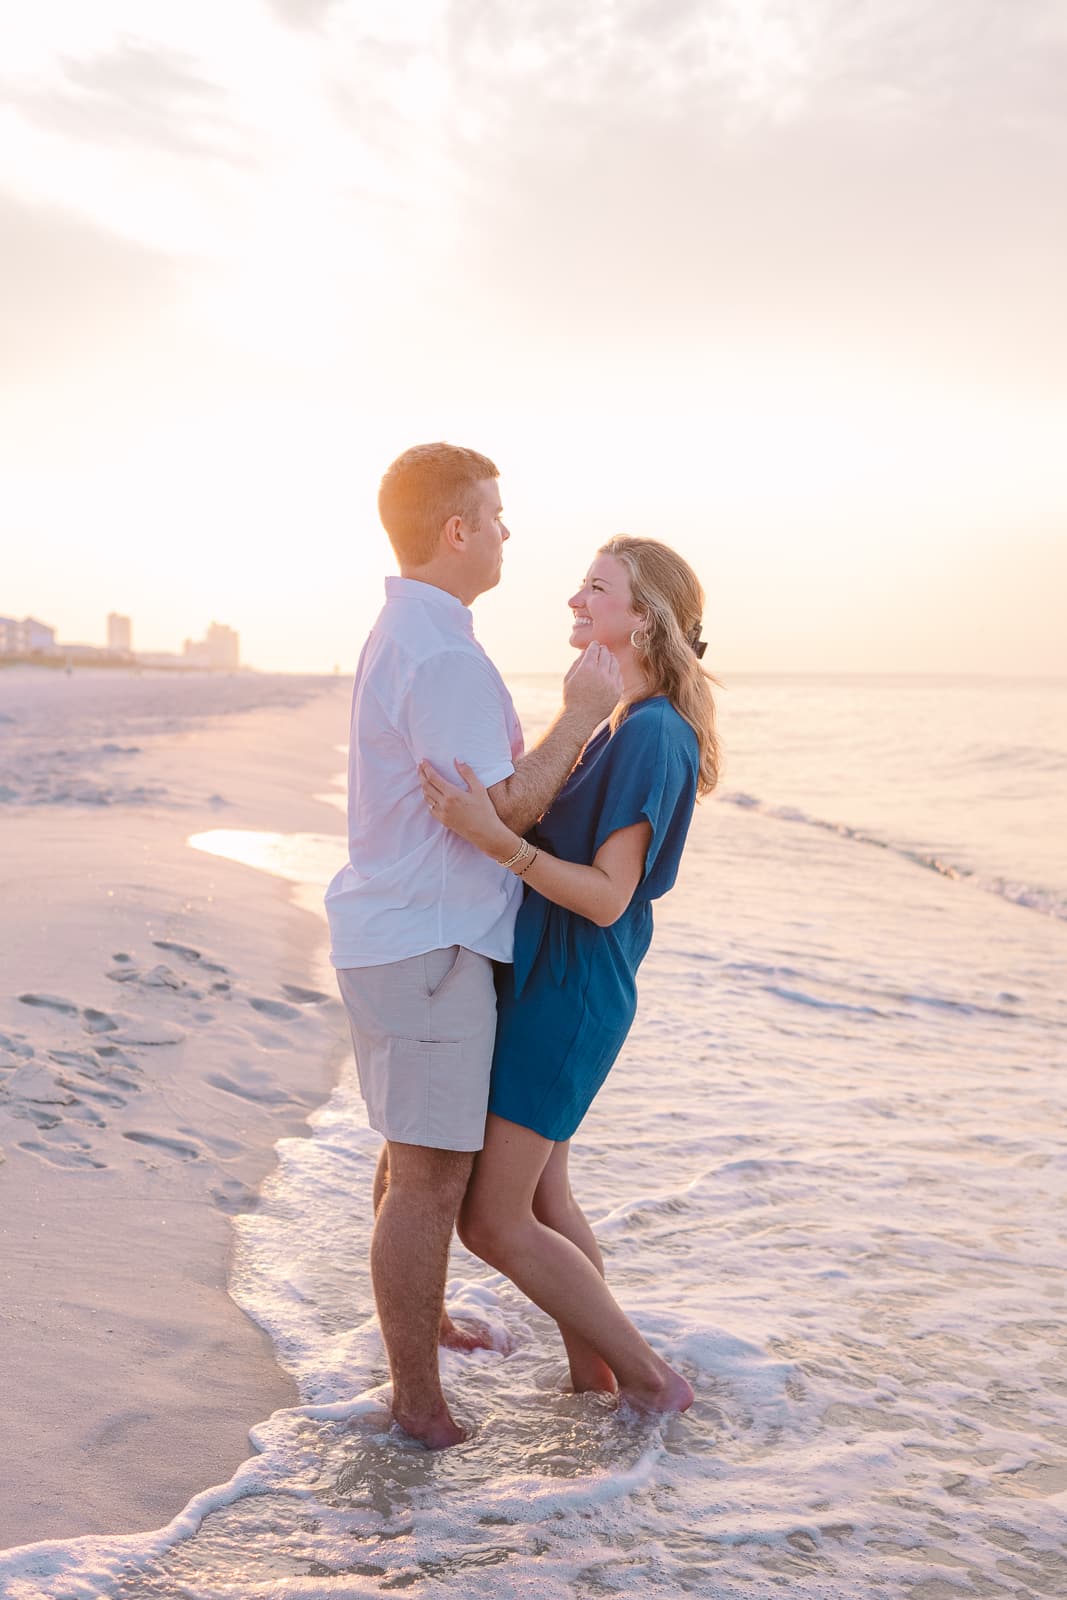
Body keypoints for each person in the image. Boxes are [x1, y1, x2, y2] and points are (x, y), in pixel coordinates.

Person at [324, 442, 622, 1450]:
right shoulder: (443, 651)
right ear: (455, 531)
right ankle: (417, 1400)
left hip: (397, 932)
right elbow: (494, 810)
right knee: (431, 1179)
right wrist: (582, 715)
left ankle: (426, 1324)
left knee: (411, 1154)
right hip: (429, 943)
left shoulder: (411, 628)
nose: (505, 532)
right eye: (494, 515)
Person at [418, 535, 719, 1415]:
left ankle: (654, 1383)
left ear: (645, 617)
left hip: (572, 991)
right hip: (548, 979)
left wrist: (494, 840)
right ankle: (594, 1378)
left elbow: (604, 897)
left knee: (493, 1220)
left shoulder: (653, 732)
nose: (574, 601)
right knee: (544, 1201)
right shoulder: (622, 718)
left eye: (596, 589)